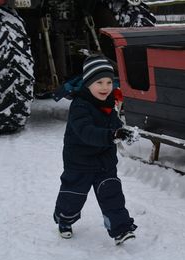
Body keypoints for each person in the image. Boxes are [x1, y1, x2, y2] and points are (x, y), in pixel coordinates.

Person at [53, 54, 137, 245]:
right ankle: (65, 220)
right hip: (79, 161)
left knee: (112, 194)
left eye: (109, 82)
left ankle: (120, 229)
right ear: (88, 83)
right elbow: (86, 132)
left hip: (104, 162)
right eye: (99, 82)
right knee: (73, 195)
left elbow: (115, 125)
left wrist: (123, 132)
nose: (105, 87)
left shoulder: (108, 105)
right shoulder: (79, 106)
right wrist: (112, 135)